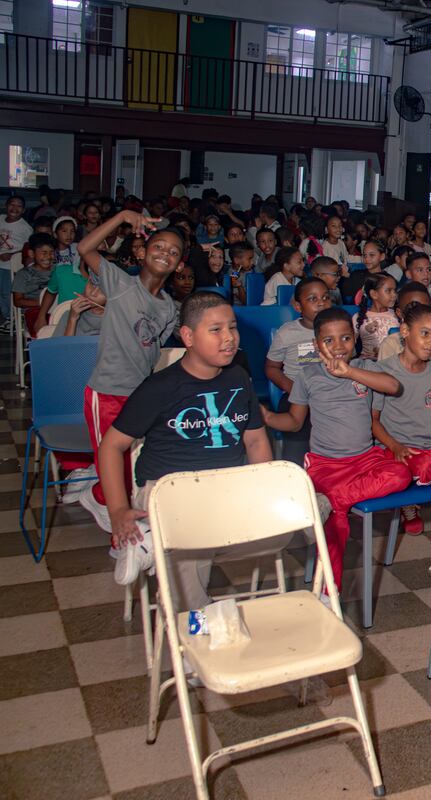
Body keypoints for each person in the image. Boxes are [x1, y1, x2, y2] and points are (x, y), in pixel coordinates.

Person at [97, 292, 275, 603]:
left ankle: (154, 543)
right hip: (168, 489)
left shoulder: (238, 378)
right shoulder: (161, 387)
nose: (229, 338)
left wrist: (265, 491)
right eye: (215, 329)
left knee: (297, 512)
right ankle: (192, 617)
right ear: (188, 336)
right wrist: (117, 510)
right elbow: (111, 446)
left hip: (223, 488)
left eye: (232, 327)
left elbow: (256, 439)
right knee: (193, 533)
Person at [260, 307, 410, 592]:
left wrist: (349, 371)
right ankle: (329, 593)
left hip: (365, 460)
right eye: (329, 341)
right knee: (334, 527)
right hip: (326, 465)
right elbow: (294, 421)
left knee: (400, 475)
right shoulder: (308, 375)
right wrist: (267, 417)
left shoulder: (365, 368)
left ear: (355, 339)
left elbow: (393, 386)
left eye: (345, 338)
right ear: (316, 344)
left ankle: (333, 502)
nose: (339, 346)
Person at [77, 210, 180, 532]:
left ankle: (99, 495)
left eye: (173, 252)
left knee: (133, 464)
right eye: (158, 246)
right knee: (113, 464)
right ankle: (116, 528)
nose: (165, 254)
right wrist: (123, 216)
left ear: (179, 264)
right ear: (142, 252)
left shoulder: (168, 307)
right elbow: (85, 248)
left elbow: (152, 350)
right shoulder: (120, 283)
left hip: (139, 394)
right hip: (107, 390)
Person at [373, 301, 431, 535]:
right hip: (397, 448)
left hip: (430, 449)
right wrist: (395, 446)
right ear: (405, 331)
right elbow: (373, 420)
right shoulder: (383, 371)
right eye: (425, 333)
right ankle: (408, 505)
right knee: (417, 468)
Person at [265, 277, 333, 464]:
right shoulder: (288, 333)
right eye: (312, 299)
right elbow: (271, 368)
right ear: (297, 306)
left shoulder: (337, 328)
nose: (321, 303)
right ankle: (295, 470)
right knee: (298, 444)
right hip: (296, 394)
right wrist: (295, 389)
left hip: (331, 393)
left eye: (326, 297)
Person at [0, 194, 32, 330]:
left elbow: (29, 248)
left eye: (19, 206)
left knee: (7, 292)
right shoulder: (1, 219)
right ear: (6, 206)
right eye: (12, 204)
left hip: (11, 265)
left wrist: (12, 254)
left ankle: (10, 318)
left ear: (23, 210)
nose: (15, 208)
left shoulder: (25, 228)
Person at [353, 273, 400, 360]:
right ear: (374, 294)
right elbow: (351, 342)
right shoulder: (359, 317)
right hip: (368, 363)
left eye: (395, 291)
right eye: (388, 291)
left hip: (393, 362)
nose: (394, 295)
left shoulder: (398, 314)